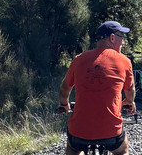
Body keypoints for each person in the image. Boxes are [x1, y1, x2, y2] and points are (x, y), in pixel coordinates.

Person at [58, 20, 136, 155]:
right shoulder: (124, 61)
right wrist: (129, 101)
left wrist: (64, 104)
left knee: (72, 149)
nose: (123, 42)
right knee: (122, 150)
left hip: (79, 132)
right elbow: (129, 90)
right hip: (111, 134)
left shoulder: (78, 59)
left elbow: (65, 89)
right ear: (112, 38)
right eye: (121, 37)